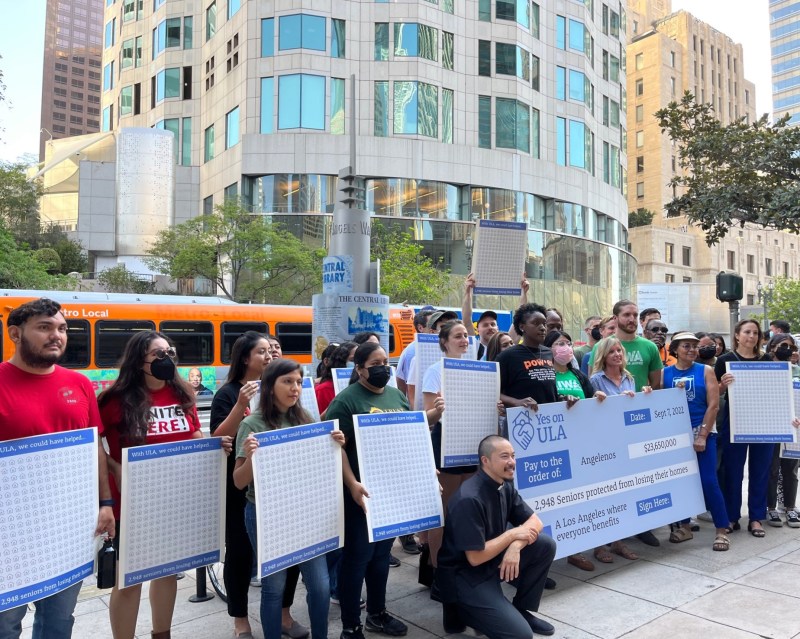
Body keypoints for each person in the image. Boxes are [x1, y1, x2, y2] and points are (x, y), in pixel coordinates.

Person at [0, 298, 115, 639]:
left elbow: (94, 447)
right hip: (10, 531)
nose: (57, 335)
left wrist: (106, 503)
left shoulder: (78, 384)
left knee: (59, 620)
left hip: (67, 524)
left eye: (62, 328)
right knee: (6, 623)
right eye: (44, 327)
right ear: (15, 333)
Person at [99, 331, 212, 639]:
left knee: (166, 573)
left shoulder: (183, 393)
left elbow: (193, 435)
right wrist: (115, 468)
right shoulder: (114, 401)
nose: (167, 360)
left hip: (173, 500)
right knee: (129, 579)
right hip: (132, 504)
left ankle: (162, 633)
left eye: (170, 353)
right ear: (139, 361)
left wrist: (206, 452)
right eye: (158, 354)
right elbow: (93, 446)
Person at [233, 359, 342, 639]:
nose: (295, 388)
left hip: (306, 512)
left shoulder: (306, 419)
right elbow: (239, 481)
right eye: (287, 382)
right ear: (269, 387)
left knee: (319, 585)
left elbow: (319, 468)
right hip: (266, 514)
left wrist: (334, 446)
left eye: (297, 382)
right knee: (274, 587)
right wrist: (251, 457)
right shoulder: (251, 424)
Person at [325, 342, 417, 639]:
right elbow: (333, 448)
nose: (382, 368)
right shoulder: (346, 401)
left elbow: (408, 438)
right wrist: (352, 484)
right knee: (357, 559)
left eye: (384, 362)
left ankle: (377, 614)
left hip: (390, 491)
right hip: (359, 495)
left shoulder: (396, 396)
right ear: (359, 369)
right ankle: (350, 625)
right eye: (374, 363)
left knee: (380, 556)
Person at [436, 435, 557, 638]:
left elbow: (536, 522)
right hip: (466, 575)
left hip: (491, 561)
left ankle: (521, 609)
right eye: (504, 456)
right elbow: (475, 558)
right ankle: (459, 609)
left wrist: (515, 546)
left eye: (513, 455)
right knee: (520, 636)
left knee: (545, 544)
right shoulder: (469, 498)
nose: (511, 462)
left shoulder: (504, 483)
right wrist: (511, 535)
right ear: (486, 461)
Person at [210, 331, 272, 639]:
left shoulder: (277, 389)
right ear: (245, 358)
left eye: (270, 351)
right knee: (239, 553)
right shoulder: (228, 393)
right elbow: (217, 438)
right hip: (238, 485)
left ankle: (282, 615)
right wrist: (241, 405)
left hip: (272, 483)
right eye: (261, 352)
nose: (268, 356)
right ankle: (240, 620)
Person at [662, 332, 729, 551]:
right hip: (676, 435)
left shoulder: (706, 370)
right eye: (686, 346)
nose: (691, 350)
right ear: (675, 349)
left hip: (703, 432)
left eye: (694, 346)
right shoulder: (665, 373)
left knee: (709, 481)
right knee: (681, 481)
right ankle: (684, 527)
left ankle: (721, 529)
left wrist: (702, 435)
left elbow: (713, 405)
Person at [420, 320, 477, 573]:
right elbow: (428, 414)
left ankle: (463, 564)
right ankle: (437, 569)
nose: (464, 339)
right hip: (446, 442)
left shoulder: (476, 369)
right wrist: (439, 409)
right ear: (444, 342)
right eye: (457, 336)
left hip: (471, 441)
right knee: (443, 512)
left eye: (466, 335)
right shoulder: (435, 370)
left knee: (466, 509)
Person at [543, 330, 598, 571]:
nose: (564, 347)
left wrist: (599, 397)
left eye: (567, 343)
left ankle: (575, 550)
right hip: (554, 445)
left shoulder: (577, 374)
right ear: (548, 349)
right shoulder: (544, 375)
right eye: (558, 344)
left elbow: (591, 399)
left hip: (580, 442)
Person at [588, 336, 646, 561]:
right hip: (604, 444)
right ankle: (600, 546)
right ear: (604, 355)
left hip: (627, 443)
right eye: (612, 351)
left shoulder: (629, 378)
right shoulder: (595, 380)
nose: (617, 355)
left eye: (619, 351)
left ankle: (619, 542)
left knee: (624, 493)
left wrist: (640, 397)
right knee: (604, 495)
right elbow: (591, 412)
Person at [715, 320, 775, 538]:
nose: (751, 336)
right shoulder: (724, 360)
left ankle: (756, 518)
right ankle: (731, 517)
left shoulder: (766, 359)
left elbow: (777, 390)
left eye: (755, 333)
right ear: (737, 335)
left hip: (763, 420)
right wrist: (722, 385)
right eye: (747, 332)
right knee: (733, 471)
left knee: (760, 471)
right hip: (736, 420)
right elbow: (716, 393)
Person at [765, 333, 800, 528]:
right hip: (770, 427)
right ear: (772, 347)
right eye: (783, 345)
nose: (787, 349)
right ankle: (770, 507)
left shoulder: (797, 371)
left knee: (791, 469)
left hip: (793, 428)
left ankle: (790, 506)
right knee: (771, 468)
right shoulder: (764, 369)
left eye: (791, 346)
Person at [395, 308, 435, 395]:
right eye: (433, 324)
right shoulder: (412, 352)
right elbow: (404, 384)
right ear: (420, 328)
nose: (436, 329)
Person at [461, 273, 500, 360]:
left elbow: (519, 321)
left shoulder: (506, 346)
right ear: (477, 330)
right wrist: (468, 292)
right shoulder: (474, 347)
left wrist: (524, 292)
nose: (490, 327)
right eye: (485, 325)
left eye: (493, 324)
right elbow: (466, 320)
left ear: (498, 328)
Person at [316, 341, 357, 417]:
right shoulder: (323, 390)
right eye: (352, 360)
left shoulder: (368, 387)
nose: (357, 364)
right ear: (341, 361)